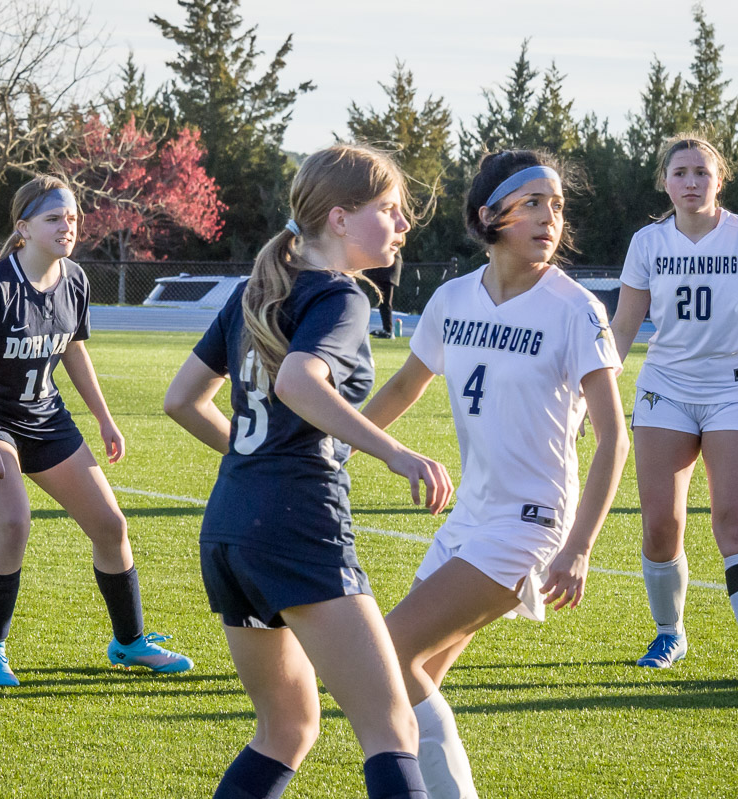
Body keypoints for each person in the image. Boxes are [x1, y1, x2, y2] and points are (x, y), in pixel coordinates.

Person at [164, 144, 452, 799]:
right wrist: (394, 451)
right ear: (341, 218)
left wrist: (255, 460)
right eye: (389, 210)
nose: (402, 224)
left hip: (231, 529)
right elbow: (299, 379)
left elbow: (182, 399)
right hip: (297, 529)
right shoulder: (342, 297)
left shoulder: (255, 289)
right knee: (391, 726)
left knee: (287, 727)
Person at [362, 149, 629, 797]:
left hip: (531, 525)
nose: (549, 217)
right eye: (532, 202)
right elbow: (404, 385)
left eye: (557, 205)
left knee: (386, 658)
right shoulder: (453, 299)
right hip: (470, 517)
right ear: (490, 215)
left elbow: (615, 438)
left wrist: (580, 548)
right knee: (409, 678)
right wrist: (334, 442)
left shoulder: (576, 309)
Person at [0, 175, 192, 687]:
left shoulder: (74, 278)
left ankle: (129, 644)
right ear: (23, 228)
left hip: (45, 416)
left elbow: (74, 350)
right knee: (13, 523)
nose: (67, 227)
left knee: (111, 526)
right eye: (54, 218)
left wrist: (103, 417)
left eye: (72, 217)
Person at [609, 134, 738, 689]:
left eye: (702, 171)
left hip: (737, 390)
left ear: (718, 179)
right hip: (666, 389)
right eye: (681, 172)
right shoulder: (647, 242)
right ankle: (669, 632)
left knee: (736, 520)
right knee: (660, 524)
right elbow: (625, 327)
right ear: (665, 181)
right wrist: (593, 394)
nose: (692, 182)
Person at [364, 251, 403, 338]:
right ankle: (386, 329)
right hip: (383, 273)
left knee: (385, 303)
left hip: (386, 274)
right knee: (382, 303)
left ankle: (388, 330)